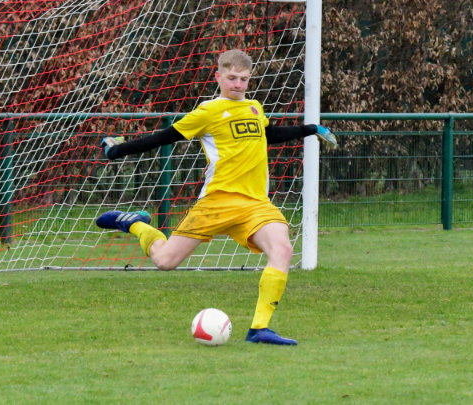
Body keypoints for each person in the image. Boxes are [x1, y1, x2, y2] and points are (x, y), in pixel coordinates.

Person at [95, 49, 336, 346]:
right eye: (232, 78)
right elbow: (163, 137)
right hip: (216, 202)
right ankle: (134, 223)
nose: (238, 84)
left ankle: (259, 329)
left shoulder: (254, 107)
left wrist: (311, 129)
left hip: (255, 204)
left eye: (244, 79)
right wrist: (117, 151)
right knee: (165, 261)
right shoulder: (208, 111)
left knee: (283, 249)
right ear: (218, 76)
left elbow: (270, 135)